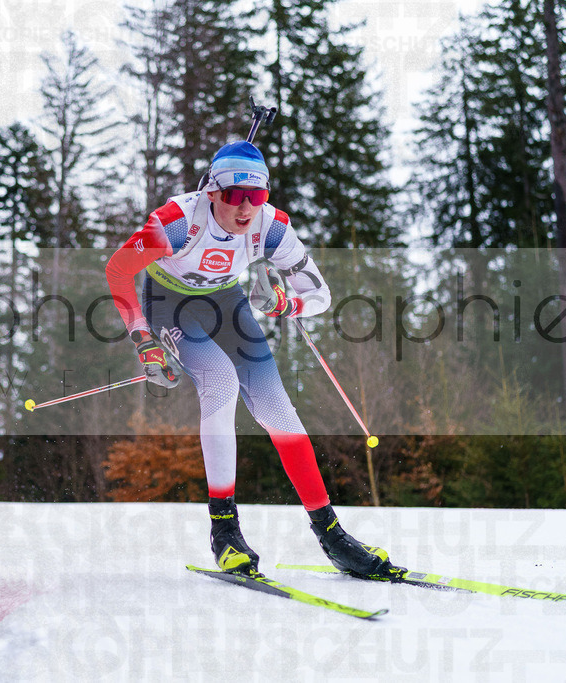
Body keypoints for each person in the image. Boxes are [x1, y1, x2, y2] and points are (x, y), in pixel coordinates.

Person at [105, 141, 402, 580]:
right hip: (168, 302)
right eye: (234, 195)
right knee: (221, 380)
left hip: (225, 301)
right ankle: (225, 532)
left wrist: (285, 303)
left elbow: (320, 295)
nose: (246, 208)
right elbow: (117, 269)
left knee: (277, 407)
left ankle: (332, 536)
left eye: (257, 195)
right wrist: (143, 339)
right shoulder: (176, 222)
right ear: (212, 192)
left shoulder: (272, 227)